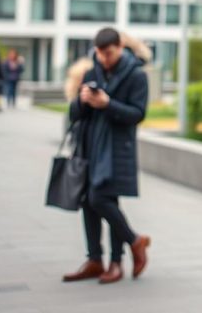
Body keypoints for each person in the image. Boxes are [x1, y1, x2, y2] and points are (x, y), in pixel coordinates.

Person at [62, 27, 152, 285]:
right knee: (88, 202)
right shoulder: (92, 71)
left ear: (120, 48)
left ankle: (123, 254)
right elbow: (75, 113)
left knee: (101, 198)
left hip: (115, 148)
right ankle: (95, 260)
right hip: (89, 145)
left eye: (109, 53)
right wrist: (82, 100)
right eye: (100, 54)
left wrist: (107, 104)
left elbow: (137, 114)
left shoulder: (136, 76)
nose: (104, 59)